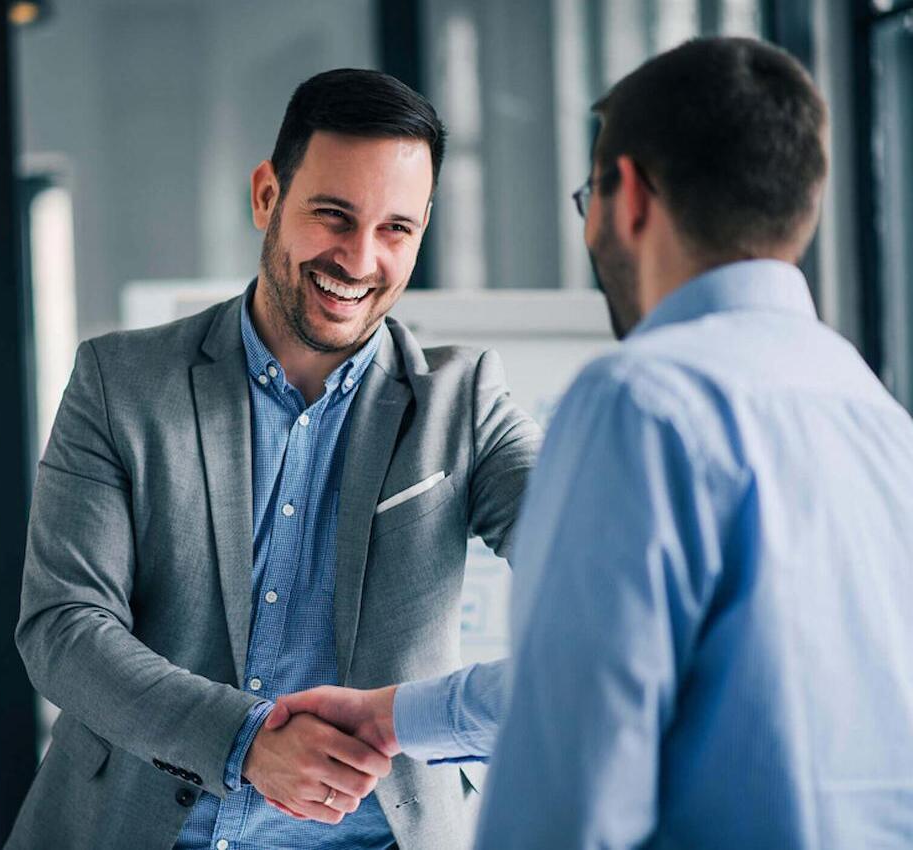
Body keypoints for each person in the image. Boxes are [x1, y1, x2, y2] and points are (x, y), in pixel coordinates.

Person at [268, 37, 913, 848]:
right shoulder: (880, 421)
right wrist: (396, 716)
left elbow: (570, 764)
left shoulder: (642, 403)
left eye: (588, 197)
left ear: (630, 197)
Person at [7, 69, 541, 850]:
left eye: (397, 230)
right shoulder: (120, 384)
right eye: (333, 215)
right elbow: (63, 628)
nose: (360, 260)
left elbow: (600, 582)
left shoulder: (464, 403)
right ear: (267, 196)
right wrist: (246, 740)